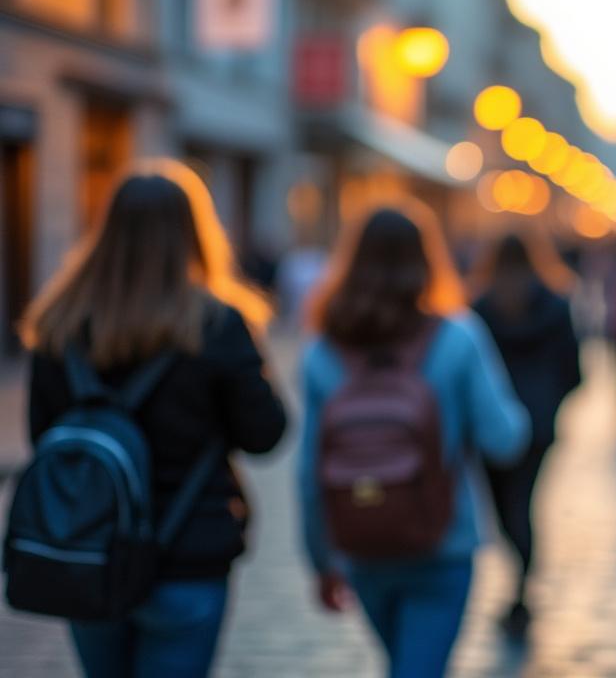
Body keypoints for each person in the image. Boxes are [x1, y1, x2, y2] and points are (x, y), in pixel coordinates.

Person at [20, 162, 287, 678]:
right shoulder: (216, 323)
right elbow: (265, 435)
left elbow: (45, 438)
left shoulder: (60, 324)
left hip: (89, 550)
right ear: (192, 234)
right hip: (189, 554)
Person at [298, 202, 529, 677]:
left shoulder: (324, 350)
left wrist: (321, 559)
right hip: (442, 541)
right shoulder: (458, 338)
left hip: (362, 541)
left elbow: (308, 471)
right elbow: (504, 440)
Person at [472, 233, 581, 640]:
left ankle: (519, 580)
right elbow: (575, 370)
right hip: (538, 424)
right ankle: (521, 583)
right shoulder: (556, 305)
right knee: (524, 503)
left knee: (504, 508)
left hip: (491, 423)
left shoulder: (480, 308)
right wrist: (550, 400)